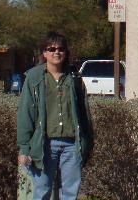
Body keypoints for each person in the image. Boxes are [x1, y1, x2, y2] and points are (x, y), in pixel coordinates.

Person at [17, 32, 94, 200]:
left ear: (66, 52)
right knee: (41, 190)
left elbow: (84, 112)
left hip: (71, 145)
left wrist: (87, 142)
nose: (56, 52)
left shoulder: (74, 77)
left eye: (60, 49)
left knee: (70, 193)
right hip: (44, 145)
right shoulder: (34, 78)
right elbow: (26, 113)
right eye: (51, 49)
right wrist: (24, 148)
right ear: (44, 53)